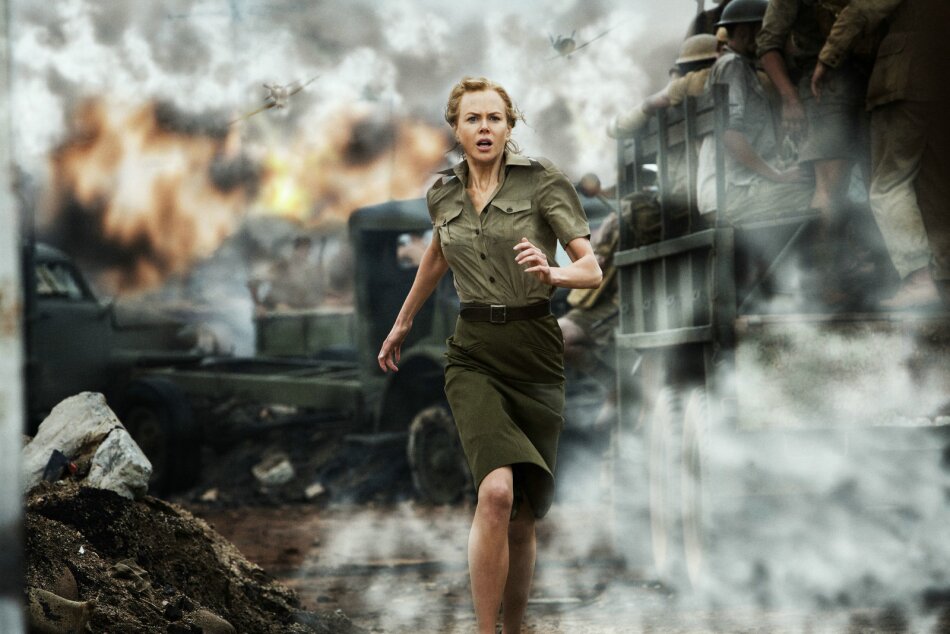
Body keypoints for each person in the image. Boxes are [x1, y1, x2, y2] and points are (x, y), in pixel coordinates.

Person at [377, 76, 601, 634]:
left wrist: (553, 273)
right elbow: (437, 256)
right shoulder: (443, 193)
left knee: (522, 516)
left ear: (508, 126)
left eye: (494, 118)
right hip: (473, 351)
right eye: (472, 119)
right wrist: (402, 323)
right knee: (496, 493)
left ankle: (514, 628)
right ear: (456, 129)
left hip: (535, 350)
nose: (484, 128)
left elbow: (591, 269)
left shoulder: (543, 181)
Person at [813, 0, 950, 308]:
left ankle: (918, 279)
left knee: (888, 185)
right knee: (935, 186)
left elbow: (863, 8)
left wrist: (827, 58)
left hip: (906, 74)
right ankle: (944, 280)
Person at [696, 0, 813, 222]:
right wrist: (777, 175)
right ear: (744, 32)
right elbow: (729, 133)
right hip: (733, 193)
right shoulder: (732, 65)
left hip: (730, 190)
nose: (768, 36)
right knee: (819, 194)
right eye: (763, 30)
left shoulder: (739, 66)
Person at [756, 0, 871, 218]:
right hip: (826, 86)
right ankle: (823, 242)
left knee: (875, 183)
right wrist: (790, 99)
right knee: (830, 189)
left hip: (867, 80)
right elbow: (768, 44)